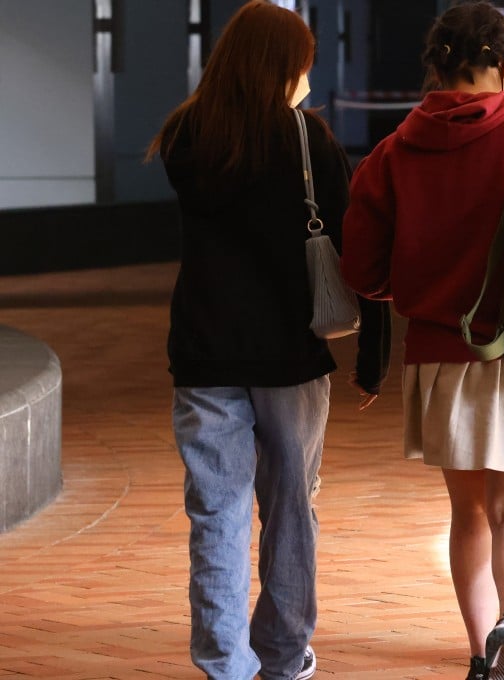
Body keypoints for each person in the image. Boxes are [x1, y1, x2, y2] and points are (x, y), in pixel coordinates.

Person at [340, 3, 504, 679]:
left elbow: (362, 271)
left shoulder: (392, 153)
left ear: (435, 68)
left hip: (440, 357)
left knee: (470, 513)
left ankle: (484, 653)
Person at [146, 2, 389, 678]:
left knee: (215, 513)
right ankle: (283, 653)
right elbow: (357, 254)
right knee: (291, 511)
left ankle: (225, 661)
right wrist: (371, 357)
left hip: (204, 354)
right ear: (288, 66)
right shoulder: (307, 140)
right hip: (290, 358)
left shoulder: (188, 134)